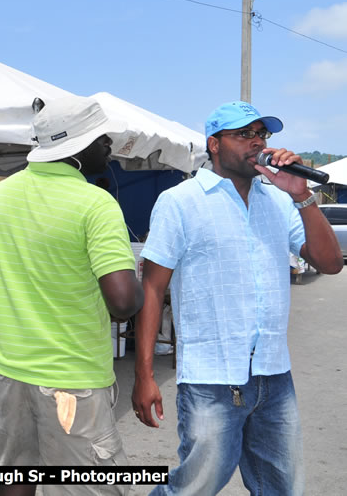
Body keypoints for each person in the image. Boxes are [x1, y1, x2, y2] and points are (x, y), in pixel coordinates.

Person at [131, 101, 343, 495]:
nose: (257, 142)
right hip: (210, 377)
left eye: (261, 134)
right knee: (195, 487)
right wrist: (144, 375)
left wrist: (302, 196)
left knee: (282, 487)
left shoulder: (280, 200)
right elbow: (153, 288)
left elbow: (330, 263)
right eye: (244, 134)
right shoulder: (181, 201)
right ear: (214, 144)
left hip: (274, 374)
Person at [0, 96, 144, 496]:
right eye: (101, 138)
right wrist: (141, 284)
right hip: (72, 381)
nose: (109, 145)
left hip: (10, 371)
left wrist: (19, 304)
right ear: (76, 147)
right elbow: (122, 304)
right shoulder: (96, 204)